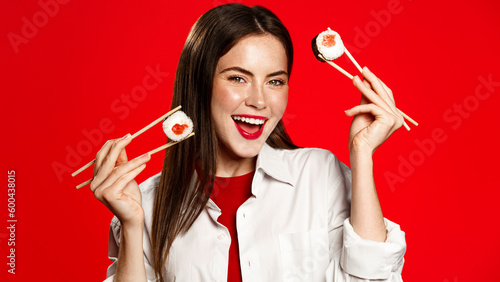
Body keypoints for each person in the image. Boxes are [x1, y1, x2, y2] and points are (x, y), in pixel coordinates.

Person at [91, 3, 406, 282]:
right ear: (201, 83)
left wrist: (362, 153)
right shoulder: (147, 204)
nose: (259, 101)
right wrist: (132, 225)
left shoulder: (320, 176)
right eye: (237, 78)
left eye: (275, 81)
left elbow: (374, 280)